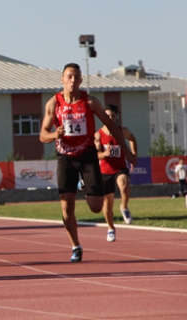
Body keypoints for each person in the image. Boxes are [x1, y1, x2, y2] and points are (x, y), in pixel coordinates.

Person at [39, 63, 135, 262]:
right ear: (62, 80)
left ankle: (85, 183)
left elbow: (111, 125)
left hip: (88, 156)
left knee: (95, 206)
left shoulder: (90, 102)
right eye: (69, 77)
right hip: (65, 158)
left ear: (81, 80)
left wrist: (126, 150)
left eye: (76, 77)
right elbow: (42, 135)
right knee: (66, 208)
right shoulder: (53, 104)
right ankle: (76, 246)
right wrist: (54, 134)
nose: (73, 81)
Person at [94, 104, 137, 242]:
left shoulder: (122, 131)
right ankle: (111, 228)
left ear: (117, 117)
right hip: (105, 171)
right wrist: (104, 154)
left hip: (120, 168)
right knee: (107, 204)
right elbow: (95, 155)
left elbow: (133, 139)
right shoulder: (98, 135)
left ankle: (124, 206)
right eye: (107, 116)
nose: (110, 118)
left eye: (113, 116)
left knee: (124, 184)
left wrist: (133, 155)